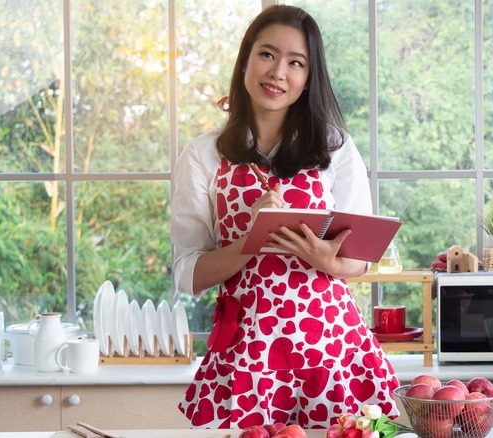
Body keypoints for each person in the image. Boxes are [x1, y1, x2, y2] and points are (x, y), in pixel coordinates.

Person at [170, 5, 400, 430]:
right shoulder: (204, 154)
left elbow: (359, 260)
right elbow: (188, 272)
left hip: (331, 349)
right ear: (245, 61)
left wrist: (328, 261)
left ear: (308, 78)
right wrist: (249, 241)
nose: (279, 72)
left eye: (296, 63)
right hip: (248, 353)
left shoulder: (335, 147)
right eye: (267, 55)